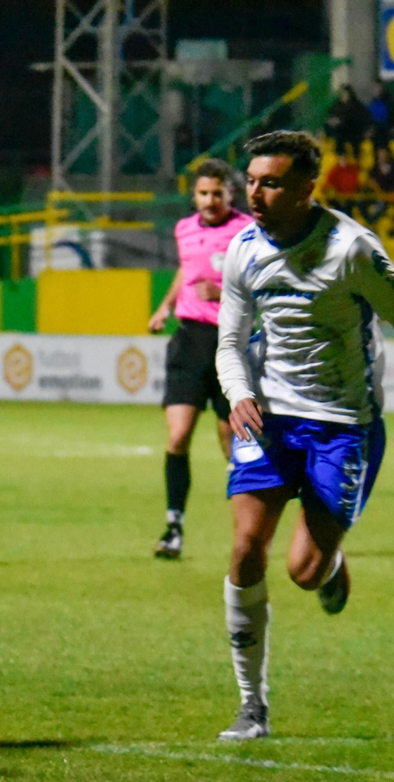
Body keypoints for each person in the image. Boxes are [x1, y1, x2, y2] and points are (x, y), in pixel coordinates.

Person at [212, 130, 394, 741]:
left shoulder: (352, 249)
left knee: (303, 570)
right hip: (269, 418)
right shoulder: (242, 249)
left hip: (343, 427)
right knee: (245, 548)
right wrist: (240, 394)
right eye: (251, 180)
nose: (254, 192)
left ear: (308, 188)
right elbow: (230, 340)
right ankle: (252, 705)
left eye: (271, 182)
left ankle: (329, 568)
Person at [147, 159, 252, 560]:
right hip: (189, 340)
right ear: (194, 195)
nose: (210, 201)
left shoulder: (246, 232)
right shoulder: (184, 229)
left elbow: (259, 287)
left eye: (217, 193)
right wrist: (165, 306)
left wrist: (223, 294)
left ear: (231, 194)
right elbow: (186, 269)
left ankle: (245, 531)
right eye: (203, 193)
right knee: (177, 437)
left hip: (230, 344)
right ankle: (174, 527)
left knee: (233, 444)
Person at [366, 146, 394, 235]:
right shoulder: (374, 169)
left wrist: (392, 193)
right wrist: (379, 192)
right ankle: (370, 225)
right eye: (380, 155)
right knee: (377, 204)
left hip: (393, 194)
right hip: (380, 195)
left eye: (384, 154)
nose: (382, 157)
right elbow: (371, 183)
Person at [323, 85, 371, 158]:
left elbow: (359, 119)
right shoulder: (337, 105)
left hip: (353, 131)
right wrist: (333, 121)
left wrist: (340, 121)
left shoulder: (356, 105)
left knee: (340, 131)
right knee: (331, 128)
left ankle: (345, 155)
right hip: (340, 130)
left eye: (344, 94)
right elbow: (330, 115)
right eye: (341, 94)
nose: (343, 96)